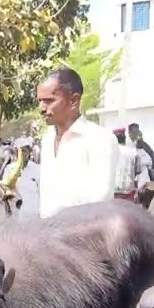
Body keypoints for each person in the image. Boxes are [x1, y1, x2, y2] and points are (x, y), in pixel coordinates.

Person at [34, 67, 119, 218]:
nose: (41, 108)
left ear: (74, 100)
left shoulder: (100, 139)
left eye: (49, 101)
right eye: (40, 101)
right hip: (46, 234)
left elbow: (100, 204)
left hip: (82, 238)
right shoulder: (47, 139)